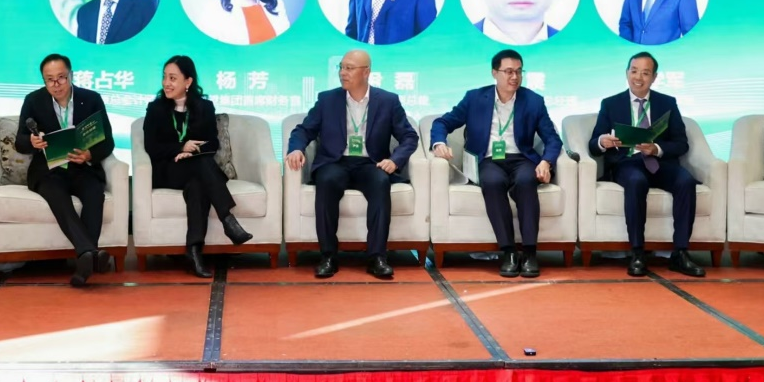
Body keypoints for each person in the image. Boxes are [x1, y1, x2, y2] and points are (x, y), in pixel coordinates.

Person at [285, 49, 419, 279]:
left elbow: (409, 136)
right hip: (335, 161)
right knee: (327, 181)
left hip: (370, 163)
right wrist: (296, 148)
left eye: (349, 68)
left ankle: (377, 257)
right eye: (341, 67)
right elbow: (304, 130)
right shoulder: (327, 99)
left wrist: (394, 161)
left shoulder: (388, 101)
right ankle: (328, 256)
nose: (342, 73)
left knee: (380, 182)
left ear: (366, 72)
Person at [429, 49, 561, 278]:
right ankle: (508, 252)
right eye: (508, 71)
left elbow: (553, 139)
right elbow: (442, 123)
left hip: (521, 159)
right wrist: (439, 143)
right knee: (492, 182)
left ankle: (530, 253)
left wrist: (546, 162)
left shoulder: (534, 101)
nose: (515, 77)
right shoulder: (474, 98)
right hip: (488, 159)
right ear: (494, 73)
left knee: (526, 181)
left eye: (519, 71)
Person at [587, 52, 705, 277]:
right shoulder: (610, 104)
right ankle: (638, 252)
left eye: (645, 73)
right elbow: (593, 145)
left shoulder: (667, 103)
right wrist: (603, 142)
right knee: (636, 181)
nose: (638, 77)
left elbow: (681, 144)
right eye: (634, 71)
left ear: (654, 77)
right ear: (626, 73)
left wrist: (657, 149)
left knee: (686, 181)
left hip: (659, 162)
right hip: (627, 163)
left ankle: (680, 253)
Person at [142, 55, 252, 278]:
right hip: (168, 170)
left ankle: (194, 251)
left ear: (188, 81)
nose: (166, 83)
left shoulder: (204, 107)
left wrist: (191, 152)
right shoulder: (155, 109)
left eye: (173, 78)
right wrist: (179, 148)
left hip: (195, 168)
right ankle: (227, 219)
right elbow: (151, 147)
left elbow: (212, 143)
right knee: (201, 166)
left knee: (197, 186)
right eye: (165, 77)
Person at [15, 53, 116, 286]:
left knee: (94, 194)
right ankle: (90, 253)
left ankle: (85, 259)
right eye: (50, 80)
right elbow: (20, 141)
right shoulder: (33, 101)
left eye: (61, 77)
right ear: (43, 80)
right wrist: (32, 142)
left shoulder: (91, 99)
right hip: (49, 170)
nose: (56, 84)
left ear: (71, 75)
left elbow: (108, 141)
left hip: (82, 167)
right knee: (57, 195)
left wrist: (89, 155)